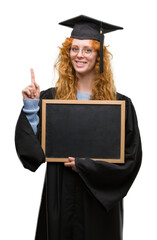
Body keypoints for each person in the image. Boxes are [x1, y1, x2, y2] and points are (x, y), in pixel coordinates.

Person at [15, 15, 142, 240]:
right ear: (67, 53)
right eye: (74, 48)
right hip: (60, 195)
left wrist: (86, 166)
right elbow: (31, 152)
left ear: (99, 55)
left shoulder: (118, 104)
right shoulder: (51, 98)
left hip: (98, 202)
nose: (79, 55)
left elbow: (131, 161)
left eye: (87, 49)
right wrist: (32, 106)